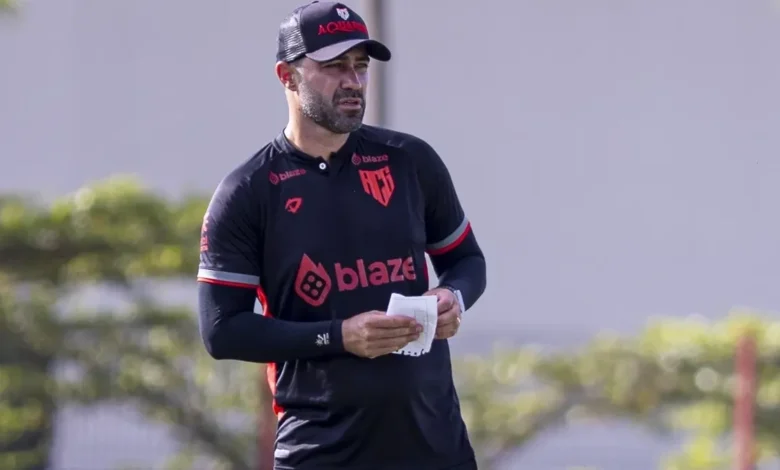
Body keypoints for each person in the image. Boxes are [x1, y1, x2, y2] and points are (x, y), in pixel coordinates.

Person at [196, 2, 487, 469]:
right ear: (287, 76)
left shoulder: (410, 160)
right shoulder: (248, 191)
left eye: (360, 65)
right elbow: (221, 331)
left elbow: (467, 260)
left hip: (438, 449)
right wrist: (340, 336)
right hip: (319, 453)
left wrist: (453, 296)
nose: (353, 81)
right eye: (334, 66)